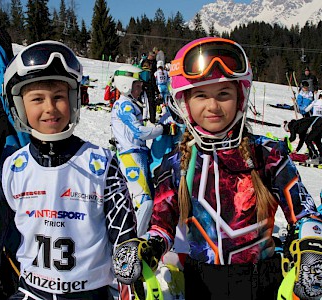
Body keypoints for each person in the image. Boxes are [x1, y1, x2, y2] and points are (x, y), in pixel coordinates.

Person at [112, 37, 322, 300]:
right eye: (201, 95)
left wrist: (309, 245)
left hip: (264, 284)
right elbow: (161, 226)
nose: (213, 106)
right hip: (202, 286)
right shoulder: (176, 164)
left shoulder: (267, 154)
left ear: (240, 97)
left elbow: (304, 212)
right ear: (185, 102)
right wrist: (149, 247)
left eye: (223, 94)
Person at [0, 41, 137, 300]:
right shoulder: (13, 167)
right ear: (20, 106)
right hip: (32, 293)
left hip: (90, 293)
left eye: (58, 97)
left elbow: (124, 239)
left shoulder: (101, 163)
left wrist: (129, 282)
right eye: (37, 99)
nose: (49, 108)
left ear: (73, 99)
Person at [110, 64, 172, 236]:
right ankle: (134, 240)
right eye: (136, 86)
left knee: (148, 197)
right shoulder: (124, 105)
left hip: (137, 154)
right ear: (126, 85)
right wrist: (162, 129)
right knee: (145, 202)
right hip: (131, 155)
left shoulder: (129, 104)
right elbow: (139, 131)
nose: (139, 89)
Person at [140, 51, 159, 123]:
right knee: (142, 102)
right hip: (146, 83)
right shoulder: (145, 62)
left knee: (151, 103)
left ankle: (152, 119)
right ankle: (142, 117)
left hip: (150, 84)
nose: (153, 58)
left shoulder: (154, 62)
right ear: (149, 55)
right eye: (152, 56)